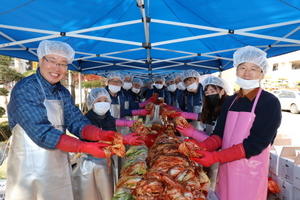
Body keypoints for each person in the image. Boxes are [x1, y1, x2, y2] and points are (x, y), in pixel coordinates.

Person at [6, 40, 117, 200]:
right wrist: (84, 147)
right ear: (41, 60)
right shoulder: (26, 88)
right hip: (28, 170)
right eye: (52, 61)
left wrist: (101, 135)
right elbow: (42, 132)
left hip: (58, 165)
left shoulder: (62, 92)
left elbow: (77, 121)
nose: (57, 68)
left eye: (63, 64)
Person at [189, 46, 282, 200]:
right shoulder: (231, 101)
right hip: (225, 171)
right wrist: (199, 148)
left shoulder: (269, 102)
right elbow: (219, 134)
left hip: (250, 174)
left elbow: (255, 145)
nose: (247, 73)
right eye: (242, 67)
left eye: (254, 69)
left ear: (262, 73)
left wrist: (216, 157)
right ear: (236, 70)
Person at [73, 87, 144, 200]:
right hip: (93, 162)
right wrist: (123, 140)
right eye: (99, 101)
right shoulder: (88, 118)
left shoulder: (106, 115)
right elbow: (97, 140)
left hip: (106, 159)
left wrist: (128, 123)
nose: (103, 103)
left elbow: (113, 122)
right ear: (92, 103)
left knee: (107, 192)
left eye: (106, 100)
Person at [176, 75, 229, 190]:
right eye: (207, 92)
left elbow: (220, 139)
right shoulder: (212, 108)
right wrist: (194, 131)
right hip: (208, 151)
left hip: (219, 155)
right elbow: (210, 132)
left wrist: (193, 133)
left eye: (212, 91)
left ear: (222, 91)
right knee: (206, 181)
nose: (209, 94)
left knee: (214, 184)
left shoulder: (226, 109)